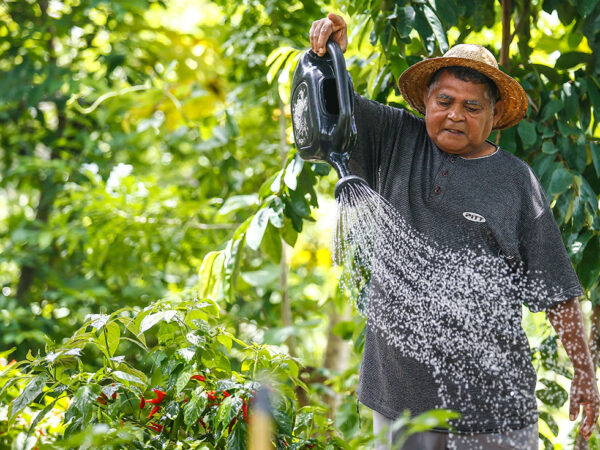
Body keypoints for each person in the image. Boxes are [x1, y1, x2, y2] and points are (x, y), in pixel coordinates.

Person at [308, 13, 600, 450]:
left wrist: (584, 373)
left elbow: (555, 288)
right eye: (444, 101)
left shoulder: (516, 182)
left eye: (472, 106)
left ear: (495, 113)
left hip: (493, 414)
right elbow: (329, 109)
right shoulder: (394, 138)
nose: (455, 115)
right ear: (425, 101)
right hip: (399, 405)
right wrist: (331, 54)